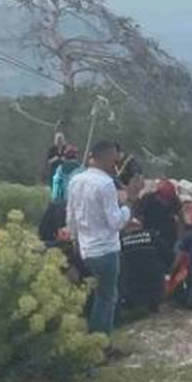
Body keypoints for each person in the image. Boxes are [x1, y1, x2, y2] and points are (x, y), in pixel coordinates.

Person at [65, 139, 140, 336]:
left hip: (85, 247)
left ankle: (95, 335)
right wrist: (129, 203)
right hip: (105, 249)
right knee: (106, 297)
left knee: (98, 293)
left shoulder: (76, 180)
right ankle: (100, 342)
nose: (117, 165)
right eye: (115, 160)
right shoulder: (106, 184)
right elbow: (115, 222)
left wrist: (74, 238)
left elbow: (70, 214)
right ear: (107, 158)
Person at [135, 179, 183, 268]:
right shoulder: (147, 199)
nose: (166, 202)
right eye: (164, 199)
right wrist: (140, 234)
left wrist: (180, 239)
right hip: (149, 232)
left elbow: (180, 219)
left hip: (168, 234)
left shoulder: (175, 200)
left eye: (168, 199)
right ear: (158, 195)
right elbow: (139, 217)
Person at [118, 225, 166, 314]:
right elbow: (167, 254)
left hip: (132, 282)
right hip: (154, 281)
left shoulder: (121, 239)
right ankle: (153, 304)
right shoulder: (152, 235)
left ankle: (130, 305)